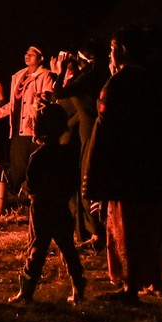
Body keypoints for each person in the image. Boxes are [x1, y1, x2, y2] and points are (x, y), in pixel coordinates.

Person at [83, 28, 162, 303]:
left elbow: (102, 132)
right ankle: (153, 279)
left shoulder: (117, 85)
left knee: (125, 227)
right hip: (153, 167)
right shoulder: (158, 82)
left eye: (112, 49)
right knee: (150, 225)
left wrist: (92, 174)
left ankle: (130, 286)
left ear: (123, 52)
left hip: (126, 169)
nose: (109, 55)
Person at [9, 104, 86, 304]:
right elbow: (73, 181)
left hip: (42, 209)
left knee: (36, 249)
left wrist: (32, 192)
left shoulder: (39, 156)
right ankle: (78, 288)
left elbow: (32, 184)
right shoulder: (68, 155)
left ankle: (25, 292)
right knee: (68, 248)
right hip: (60, 208)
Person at [51, 45, 107, 250]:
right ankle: (90, 230)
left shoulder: (88, 77)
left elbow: (60, 92)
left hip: (89, 131)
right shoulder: (94, 76)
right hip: (88, 129)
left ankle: (97, 232)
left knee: (87, 179)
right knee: (85, 178)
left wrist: (60, 71)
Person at [0, 46, 54, 200]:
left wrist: (41, 103)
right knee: (18, 167)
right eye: (26, 53)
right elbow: (14, 105)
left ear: (41, 59)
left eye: (32, 54)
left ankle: (31, 201)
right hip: (17, 129)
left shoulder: (45, 75)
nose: (28, 56)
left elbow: (47, 99)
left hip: (32, 129)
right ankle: (18, 200)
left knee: (32, 168)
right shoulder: (19, 76)